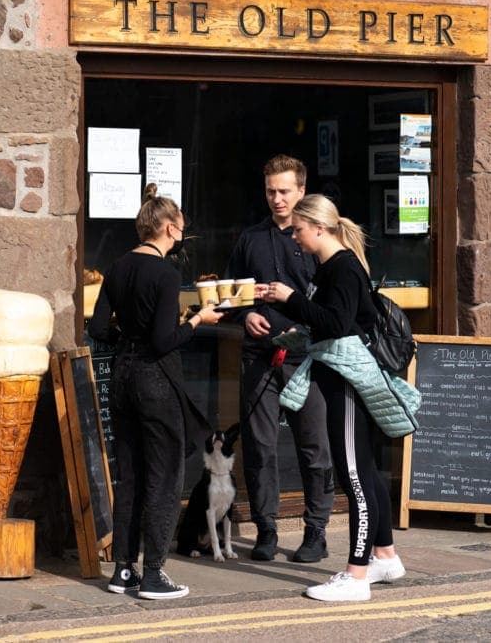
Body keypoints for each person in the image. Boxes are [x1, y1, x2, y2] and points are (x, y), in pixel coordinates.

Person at [257, 194, 406, 602]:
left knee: (353, 475)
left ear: (319, 228)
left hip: (347, 381)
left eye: (300, 231)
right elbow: (324, 322)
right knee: (368, 472)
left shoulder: (341, 267)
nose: (295, 239)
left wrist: (291, 299)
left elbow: (337, 324)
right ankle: (384, 555)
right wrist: (289, 311)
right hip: (339, 377)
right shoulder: (333, 266)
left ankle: (356, 576)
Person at [87, 184, 224, 600]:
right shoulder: (166, 273)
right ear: (167, 228)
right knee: (164, 479)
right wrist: (198, 319)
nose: (184, 232)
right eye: (181, 225)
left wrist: (127, 333)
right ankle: (154, 574)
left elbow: (96, 329)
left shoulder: (117, 266)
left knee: (130, 477)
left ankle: (123, 571)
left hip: (122, 376)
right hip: (155, 379)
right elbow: (166, 341)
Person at [225, 155, 333, 563]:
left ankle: (316, 531)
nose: (277, 199)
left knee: (313, 445)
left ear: (302, 191)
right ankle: (265, 530)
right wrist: (244, 313)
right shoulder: (250, 239)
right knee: (260, 446)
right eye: (271, 191)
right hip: (259, 354)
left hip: (308, 356)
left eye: (285, 191)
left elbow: (335, 299)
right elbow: (231, 292)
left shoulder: (317, 238)